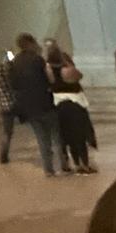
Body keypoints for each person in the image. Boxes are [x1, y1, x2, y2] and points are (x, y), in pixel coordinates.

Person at [6, 33, 60, 177]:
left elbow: (13, 84)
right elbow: (50, 79)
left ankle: (48, 169)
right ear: (30, 43)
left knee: (41, 138)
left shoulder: (15, 62)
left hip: (29, 107)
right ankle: (64, 164)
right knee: (56, 135)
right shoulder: (38, 59)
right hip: (44, 102)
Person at [46, 42, 97, 175]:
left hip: (59, 106)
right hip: (74, 105)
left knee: (69, 137)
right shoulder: (67, 70)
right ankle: (85, 165)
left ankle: (76, 164)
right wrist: (68, 63)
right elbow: (79, 76)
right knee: (80, 136)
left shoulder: (49, 71)